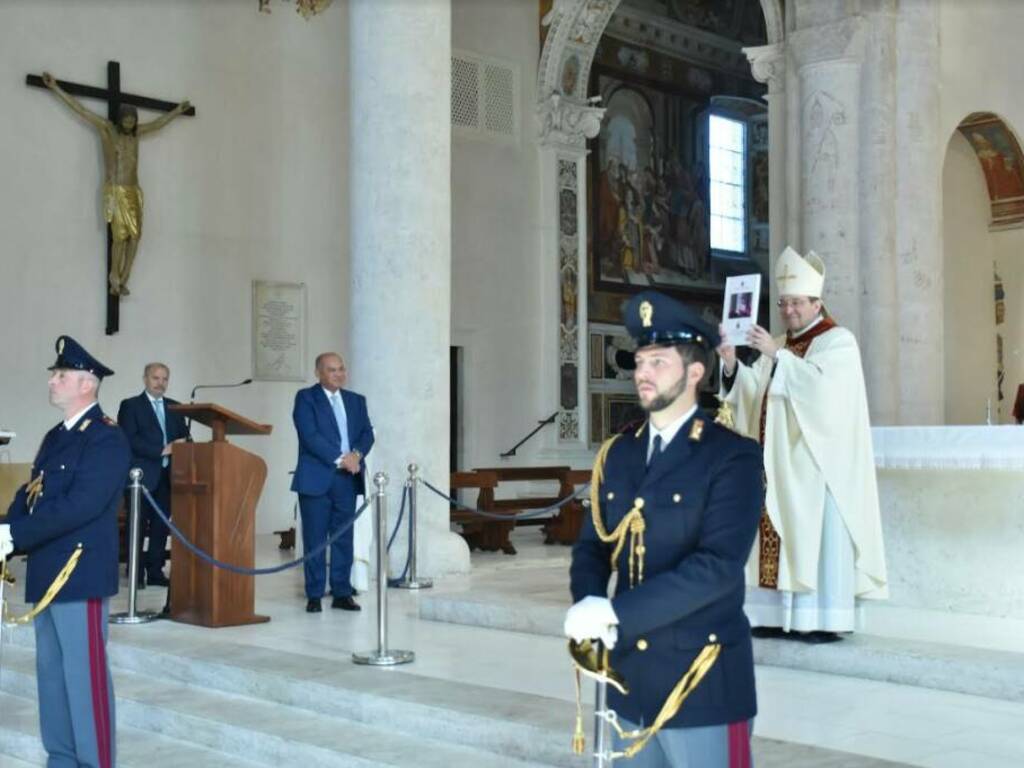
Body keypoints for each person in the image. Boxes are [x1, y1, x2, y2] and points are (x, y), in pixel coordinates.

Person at [566, 290, 764, 767]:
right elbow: (592, 546)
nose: (643, 373)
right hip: (627, 677)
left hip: (701, 679)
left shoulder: (731, 456)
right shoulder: (619, 452)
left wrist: (616, 615)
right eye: (640, 361)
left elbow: (717, 567)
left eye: (658, 361)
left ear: (695, 372)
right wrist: (588, 600)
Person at [718, 246, 888, 643]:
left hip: (814, 468)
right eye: (784, 303)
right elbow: (753, 396)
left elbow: (827, 398)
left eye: (797, 303)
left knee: (815, 539)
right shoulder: (776, 344)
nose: (789, 310)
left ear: (817, 302)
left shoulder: (837, 342)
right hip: (774, 468)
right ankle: (771, 616)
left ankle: (820, 619)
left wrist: (780, 357)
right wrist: (730, 365)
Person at [0, 335, 130, 768]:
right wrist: (6, 528)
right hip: (46, 568)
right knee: (52, 674)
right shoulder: (57, 435)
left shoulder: (106, 438)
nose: (53, 382)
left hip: (79, 571)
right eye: (55, 375)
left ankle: (94, 762)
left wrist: (17, 536)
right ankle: (61, 757)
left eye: (61, 376)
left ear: (86, 385)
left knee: (84, 675)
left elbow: (82, 504)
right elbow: (33, 491)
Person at [40, 71, 191, 296]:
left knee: (136, 237)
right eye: (127, 120)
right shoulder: (108, 130)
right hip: (117, 191)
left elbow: (158, 123)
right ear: (120, 119)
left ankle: (124, 277)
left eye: (133, 120)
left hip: (133, 192)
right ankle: (114, 278)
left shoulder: (137, 134)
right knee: (120, 238)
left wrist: (177, 111)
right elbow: (82, 110)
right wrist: (55, 88)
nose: (130, 123)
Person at [291, 352, 373, 613]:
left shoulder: (356, 401)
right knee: (315, 538)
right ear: (318, 373)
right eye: (331, 370)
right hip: (317, 477)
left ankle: (341, 592)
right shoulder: (306, 398)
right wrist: (341, 459)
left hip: (347, 480)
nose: (338, 374)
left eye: (341, 369)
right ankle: (314, 594)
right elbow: (309, 436)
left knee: (343, 538)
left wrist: (356, 455)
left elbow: (366, 434)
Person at [117, 362, 190, 588]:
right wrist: (162, 450)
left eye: (165, 379)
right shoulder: (131, 406)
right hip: (142, 477)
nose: (160, 383)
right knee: (137, 526)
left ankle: (156, 572)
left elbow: (185, 438)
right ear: (145, 379)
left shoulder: (176, 408)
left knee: (160, 526)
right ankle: (136, 573)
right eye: (156, 378)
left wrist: (185, 446)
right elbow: (128, 439)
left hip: (169, 476)